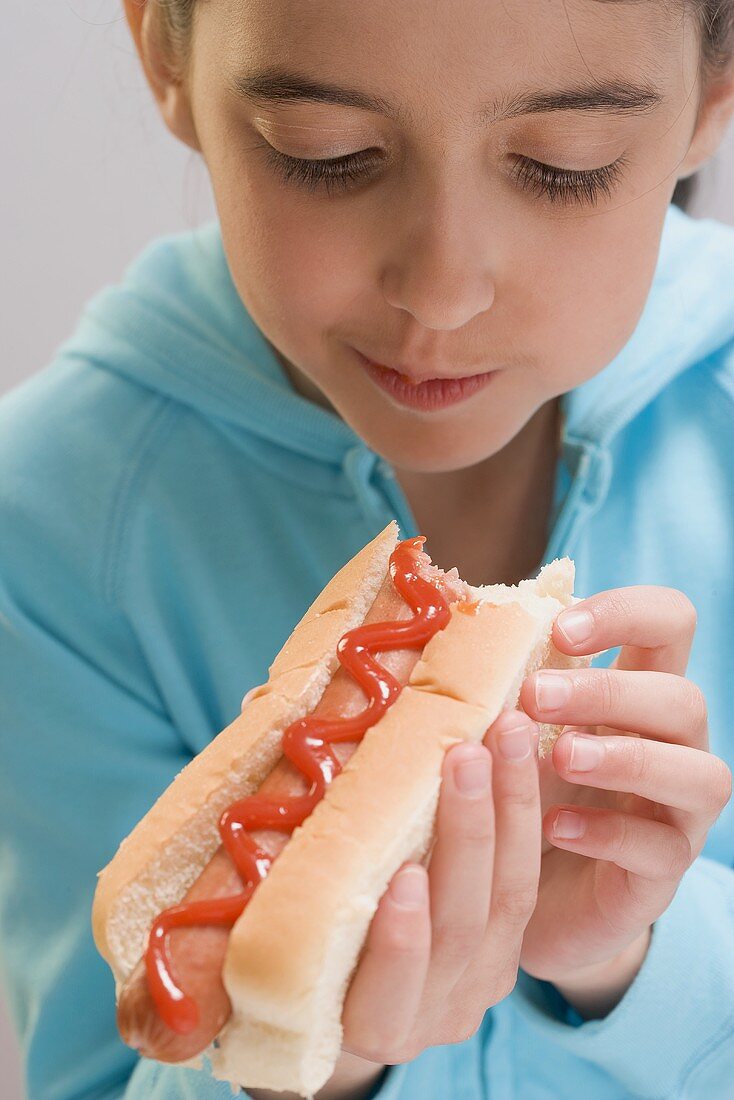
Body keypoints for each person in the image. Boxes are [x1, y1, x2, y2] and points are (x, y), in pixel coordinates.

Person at [2, 0, 734, 1097]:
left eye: (559, 165)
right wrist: (307, 1057)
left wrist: (625, 960)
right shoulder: (56, 514)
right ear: (167, 53)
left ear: (709, 102)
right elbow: (101, 1068)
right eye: (328, 156)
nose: (439, 291)